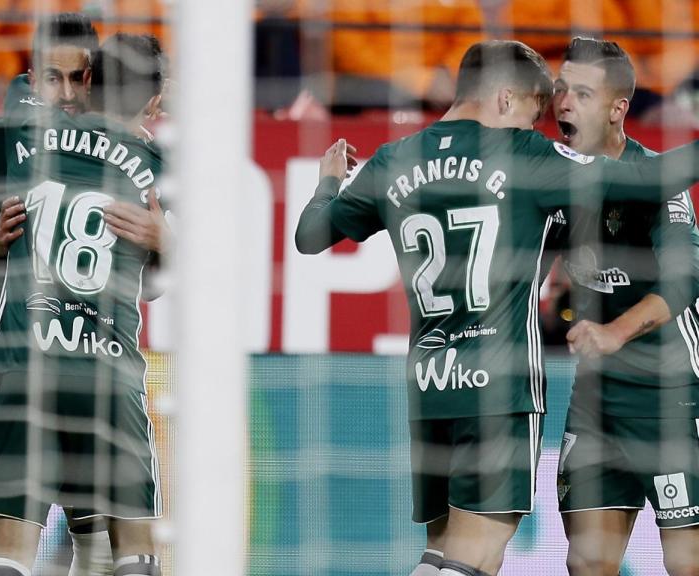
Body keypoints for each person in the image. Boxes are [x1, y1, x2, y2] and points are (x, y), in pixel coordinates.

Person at [295, 39, 699, 576]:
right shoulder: (532, 163)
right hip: (516, 385)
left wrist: (328, 180)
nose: (551, 116)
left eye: (578, 95)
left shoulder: (396, 158)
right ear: (507, 99)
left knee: (446, 552)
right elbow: (639, 187)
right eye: (544, 104)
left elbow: (309, 236)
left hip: (443, 382)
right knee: (501, 556)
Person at [0, 33, 169, 576]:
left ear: (90, 81)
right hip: (109, 375)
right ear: (155, 102)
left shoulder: (25, 138)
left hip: (25, 365)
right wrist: (166, 237)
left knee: (4, 552)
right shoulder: (156, 166)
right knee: (131, 552)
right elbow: (155, 285)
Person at [0, 12, 121, 576]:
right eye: (52, 78)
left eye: (78, 78)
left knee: (98, 548)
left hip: (89, 373)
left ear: (96, 79)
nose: (65, 92)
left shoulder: (120, 154)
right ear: (33, 78)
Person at [551, 37, 699, 576]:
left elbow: (686, 281)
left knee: (687, 564)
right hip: (597, 404)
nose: (564, 102)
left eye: (582, 93)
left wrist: (614, 332)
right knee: (588, 562)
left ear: (618, 109)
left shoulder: (658, 182)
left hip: (674, 400)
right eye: (561, 88)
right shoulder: (551, 176)